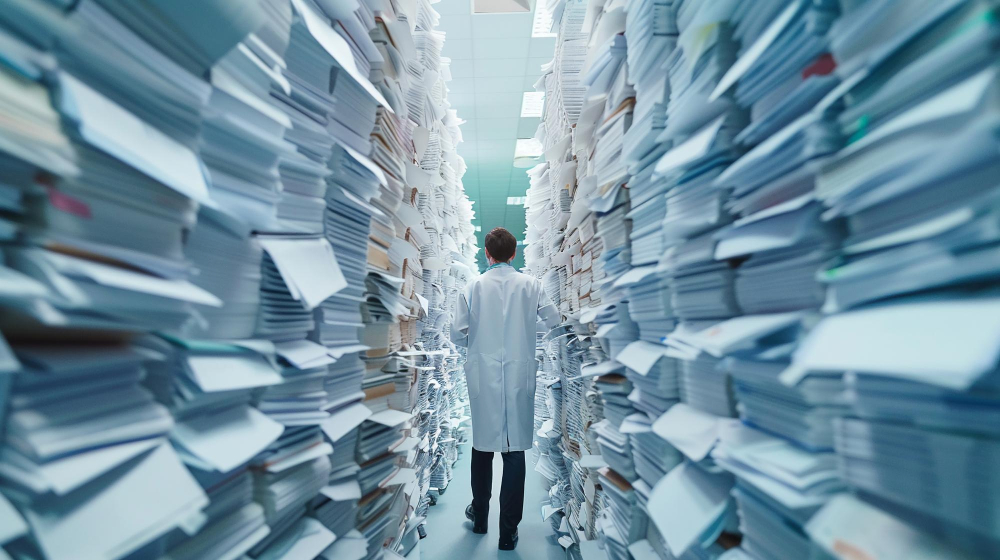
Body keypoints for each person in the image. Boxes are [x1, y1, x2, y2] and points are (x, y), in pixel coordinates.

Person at [451, 227, 560, 551]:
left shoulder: (472, 287)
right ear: (514, 254)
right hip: (518, 372)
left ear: (487, 253)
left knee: (482, 446)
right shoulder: (532, 286)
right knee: (513, 451)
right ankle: (508, 532)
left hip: (483, 373)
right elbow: (554, 322)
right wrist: (528, 327)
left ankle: (480, 516)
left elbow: (457, 334)